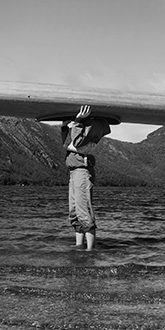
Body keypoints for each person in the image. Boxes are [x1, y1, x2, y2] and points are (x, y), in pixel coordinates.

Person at [61, 105, 111, 250]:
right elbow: (67, 144)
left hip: (82, 172)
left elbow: (76, 142)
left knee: (83, 210)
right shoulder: (80, 126)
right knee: (74, 211)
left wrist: (77, 121)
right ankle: (79, 246)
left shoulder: (93, 126)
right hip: (73, 172)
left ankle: (90, 251)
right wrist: (65, 127)